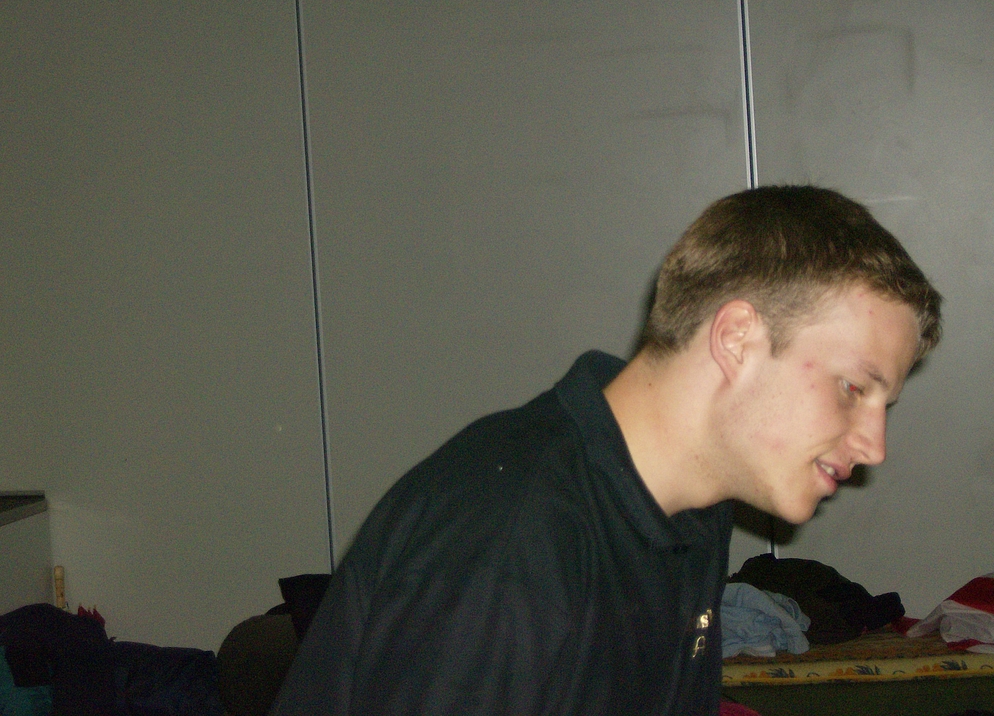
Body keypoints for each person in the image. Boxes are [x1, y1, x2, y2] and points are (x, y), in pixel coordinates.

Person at [270, 185, 942, 715]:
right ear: (737, 339)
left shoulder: (689, 512)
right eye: (853, 388)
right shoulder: (511, 533)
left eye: (883, 407)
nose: (873, 447)